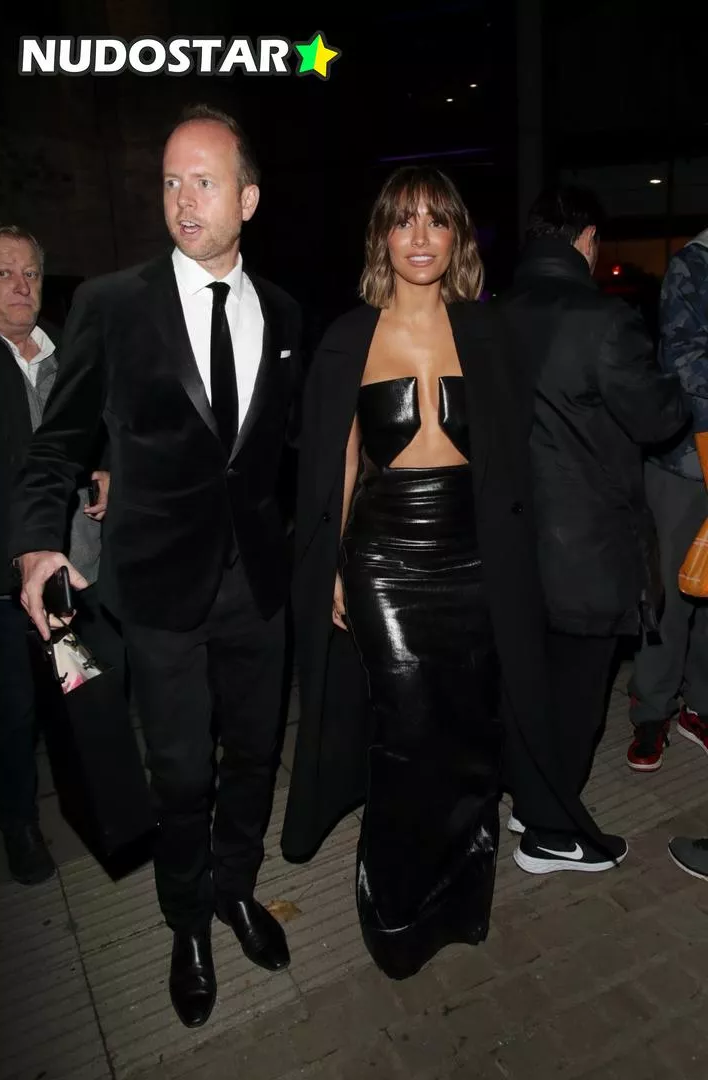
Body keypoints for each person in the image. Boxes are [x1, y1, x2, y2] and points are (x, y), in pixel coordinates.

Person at [281, 165, 614, 981]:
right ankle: (397, 909)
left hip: (475, 557)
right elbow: (338, 465)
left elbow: (517, 462)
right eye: (404, 221)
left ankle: (461, 898)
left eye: (437, 220)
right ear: (382, 238)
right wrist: (333, 570)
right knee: (405, 734)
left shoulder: (487, 332)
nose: (421, 237)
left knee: (467, 733)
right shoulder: (349, 336)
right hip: (385, 559)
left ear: (457, 235)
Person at [10, 105, 302, 1028]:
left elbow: (279, 453)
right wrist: (39, 539)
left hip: (258, 586)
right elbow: (58, 441)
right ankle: (187, 924)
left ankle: (236, 888)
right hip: (161, 591)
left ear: (247, 199)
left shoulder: (284, 312)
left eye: (205, 182)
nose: (184, 200)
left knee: (254, 755)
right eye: (172, 182)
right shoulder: (113, 303)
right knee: (180, 774)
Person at [498, 186, 687, 874]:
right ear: (585, 240)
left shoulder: (491, 315)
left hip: (512, 543)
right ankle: (550, 835)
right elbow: (657, 417)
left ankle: (529, 803)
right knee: (577, 697)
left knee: (530, 689)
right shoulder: (603, 321)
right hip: (587, 547)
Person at [0, 221, 112, 886]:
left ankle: (100, 803)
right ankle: (18, 822)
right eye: (3, 273)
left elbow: (107, 422)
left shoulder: (69, 350)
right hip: (2, 581)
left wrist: (108, 465)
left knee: (87, 693)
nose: (20, 286)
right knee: (11, 712)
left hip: (82, 568)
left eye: (30, 273)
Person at [627, 229, 708, 772]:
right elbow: (684, 358)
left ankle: (700, 706)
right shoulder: (692, 266)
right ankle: (652, 710)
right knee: (669, 596)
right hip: (684, 461)